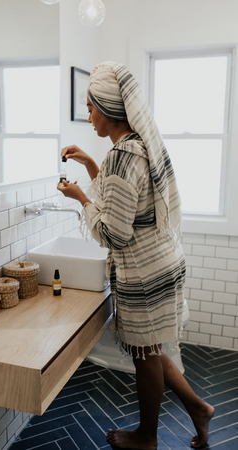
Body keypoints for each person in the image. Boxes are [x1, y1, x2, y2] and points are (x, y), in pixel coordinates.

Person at [57, 61, 214, 450]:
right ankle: (198, 408)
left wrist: (79, 198)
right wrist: (92, 166)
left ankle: (147, 436)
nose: (89, 115)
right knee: (152, 348)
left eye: (90, 106)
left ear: (108, 109)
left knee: (145, 356)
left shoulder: (124, 156)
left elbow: (114, 233)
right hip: (162, 261)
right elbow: (125, 203)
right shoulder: (135, 147)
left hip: (144, 273)